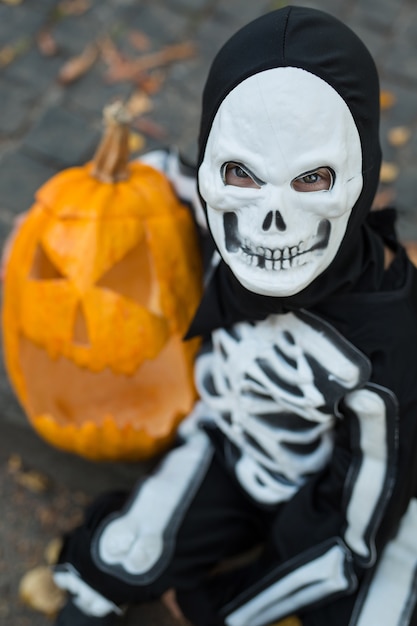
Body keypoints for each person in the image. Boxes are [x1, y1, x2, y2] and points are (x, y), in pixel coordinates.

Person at [49, 6, 417, 626]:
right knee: (115, 560)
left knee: (368, 603)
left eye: (313, 179)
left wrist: (218, 605)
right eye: (242, 174)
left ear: (360, 175)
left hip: (333, 492)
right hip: (228, 446)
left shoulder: (383, 339)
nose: (270, 219)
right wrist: (53, 223)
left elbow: (355, 521)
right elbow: (160, 179)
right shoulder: (210, 201)